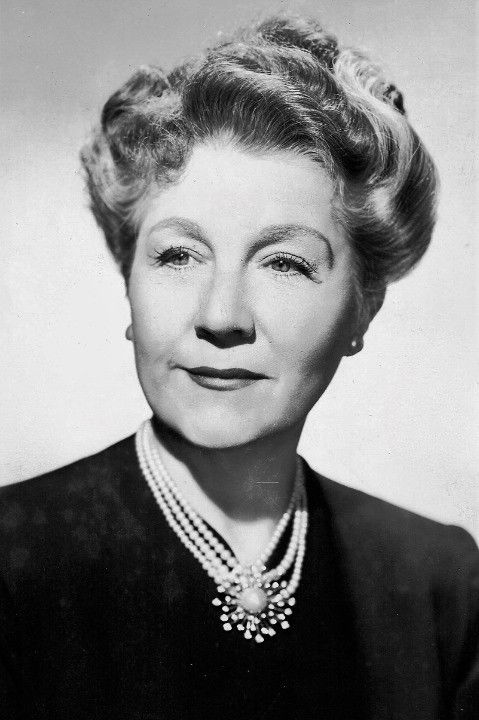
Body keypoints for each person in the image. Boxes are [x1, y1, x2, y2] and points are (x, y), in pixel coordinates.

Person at [0, 13, 477, 720]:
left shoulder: (438, 582)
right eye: (178, 255)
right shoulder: (14, 560)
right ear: (128, 281)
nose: (221, 314)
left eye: (283, 263)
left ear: (363, 309)